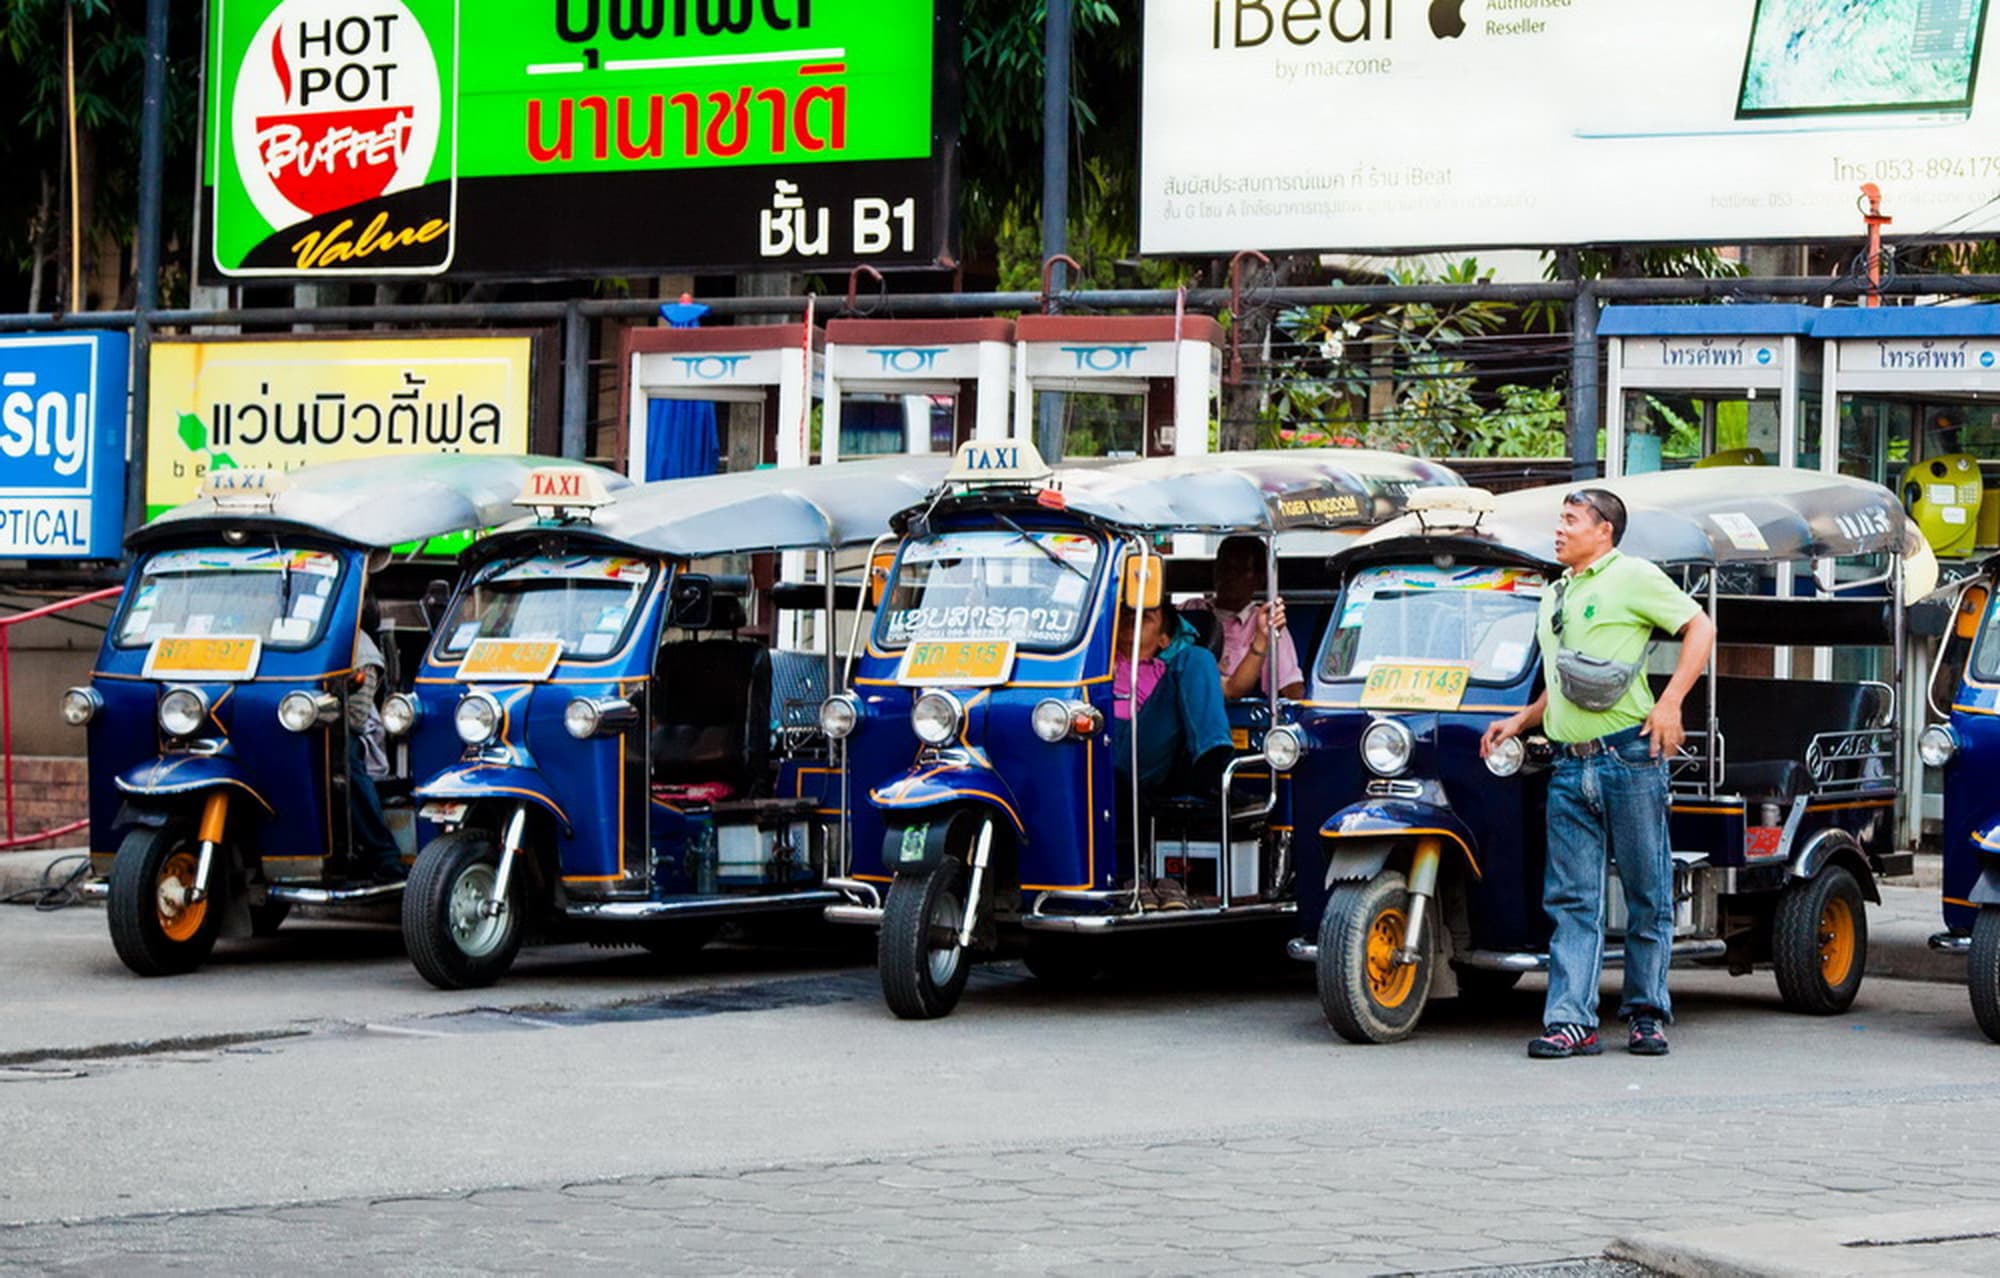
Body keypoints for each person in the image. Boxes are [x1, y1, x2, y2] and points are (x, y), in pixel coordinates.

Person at [1480, 488, 1715, 1060]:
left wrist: (1671, 702)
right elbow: (1567, 679)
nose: (1559, 531)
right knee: (1572, 900)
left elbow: (1699, 628)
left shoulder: (1632, 576)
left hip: (1629, 758)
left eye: (1571, 521)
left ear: (1604, 530)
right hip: (1568, 762)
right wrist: (1521, 719)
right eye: (1559, 521)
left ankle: (1646, 1015)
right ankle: (1571, 1021)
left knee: (1646, 892)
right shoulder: (1555, 591)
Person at [1111, 599, 1235, 910]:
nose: (1133, 618)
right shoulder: (1098, 662)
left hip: (1149, 750)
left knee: (1197, 659)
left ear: (1164, 639)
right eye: (1126, 613)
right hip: (1101, 743)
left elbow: (1231, 687)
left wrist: (1261, 641)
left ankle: (1214, 766)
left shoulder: (1171, 671)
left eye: (1146, 616)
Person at [1186, 535, 1303, 700]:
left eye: (1240, 570)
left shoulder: (1266, 622)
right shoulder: (1191, 609)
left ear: (1259, 579)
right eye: (1224, 567)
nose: (1229, 576)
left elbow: (1290, 688)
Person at [347, 594, 403, 884]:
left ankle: (383, 854)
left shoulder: (363, 651)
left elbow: (354, 719)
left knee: (344, 754)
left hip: (353, 738)